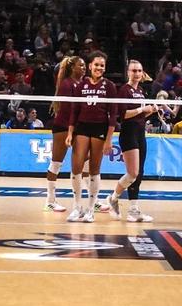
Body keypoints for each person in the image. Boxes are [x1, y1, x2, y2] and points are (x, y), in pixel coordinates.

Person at [65, 52, 119, 223]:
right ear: (90, 66)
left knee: (94, 169)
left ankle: (90, 209)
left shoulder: (109, 86)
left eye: (102, 65)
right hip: (82, 127)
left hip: (100, 128)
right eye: (96, 64)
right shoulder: (81, 85)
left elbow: (113, 115)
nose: (99, 68)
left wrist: (109, 139)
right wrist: (70, 132)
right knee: (76, 167)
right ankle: (77, 207)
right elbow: (74, 111)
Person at [102, 60, 157, 222]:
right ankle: (113, 198)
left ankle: (133, 210)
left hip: (140, 132)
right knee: (132, 173)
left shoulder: (140, 91)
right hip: (128, 132)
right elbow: (123, 115)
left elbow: (140, 115)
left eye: (139, 71)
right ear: (128, 72)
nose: (137, 74)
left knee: (139, 173)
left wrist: (151, 111)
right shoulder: (124, 90)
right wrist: (142, 109)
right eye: (134, 71)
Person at [43, 56, 86, 214]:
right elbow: (68, 109)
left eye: (84, 65)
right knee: (56, 163)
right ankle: (50, 201)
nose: (84, 68)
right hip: (64, 126)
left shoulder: (83, 83)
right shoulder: (66, 84)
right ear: (72, 67)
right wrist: (71, 130)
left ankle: (93, 200)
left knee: (86, 163)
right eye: (81, 65)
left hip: (77, 127)